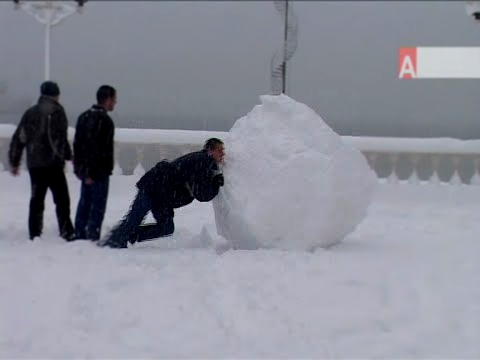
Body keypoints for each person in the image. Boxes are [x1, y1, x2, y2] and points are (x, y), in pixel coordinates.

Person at [98, 138, 225, 249]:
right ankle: (113, 243)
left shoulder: (205, 162)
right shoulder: (202, 162)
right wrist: (216, 183)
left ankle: (129, 235)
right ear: (210, 150)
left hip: (163, 197)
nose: (223, 154)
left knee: (166, 228)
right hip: (153, 187)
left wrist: (214, 180)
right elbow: (201, 194)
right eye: (220, 150)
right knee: (134, 219)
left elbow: (200, 190)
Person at [8, 81, 75, 241]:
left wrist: (14, 161)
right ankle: (66, 231)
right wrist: (68, 155)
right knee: (62, 200)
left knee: (37, 200)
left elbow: (19, 138)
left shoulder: (31, 113)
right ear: (56, 95)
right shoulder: (57, 111)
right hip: (53, 164)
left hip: (35, 164)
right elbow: (59, 139)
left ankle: (35, 232)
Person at [72, 85, 116, 241]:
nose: (115, 103)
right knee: (96, 207)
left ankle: (79, 234)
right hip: (99, 172)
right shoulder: (105, 121)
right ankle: (91, 236)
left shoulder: (83, 117)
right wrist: (92, 172)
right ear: (108, 99)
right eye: (114, 99)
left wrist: (81, 170)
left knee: (84, 203)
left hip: (86, 170)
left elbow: (78, 146)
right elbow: (98, 149)